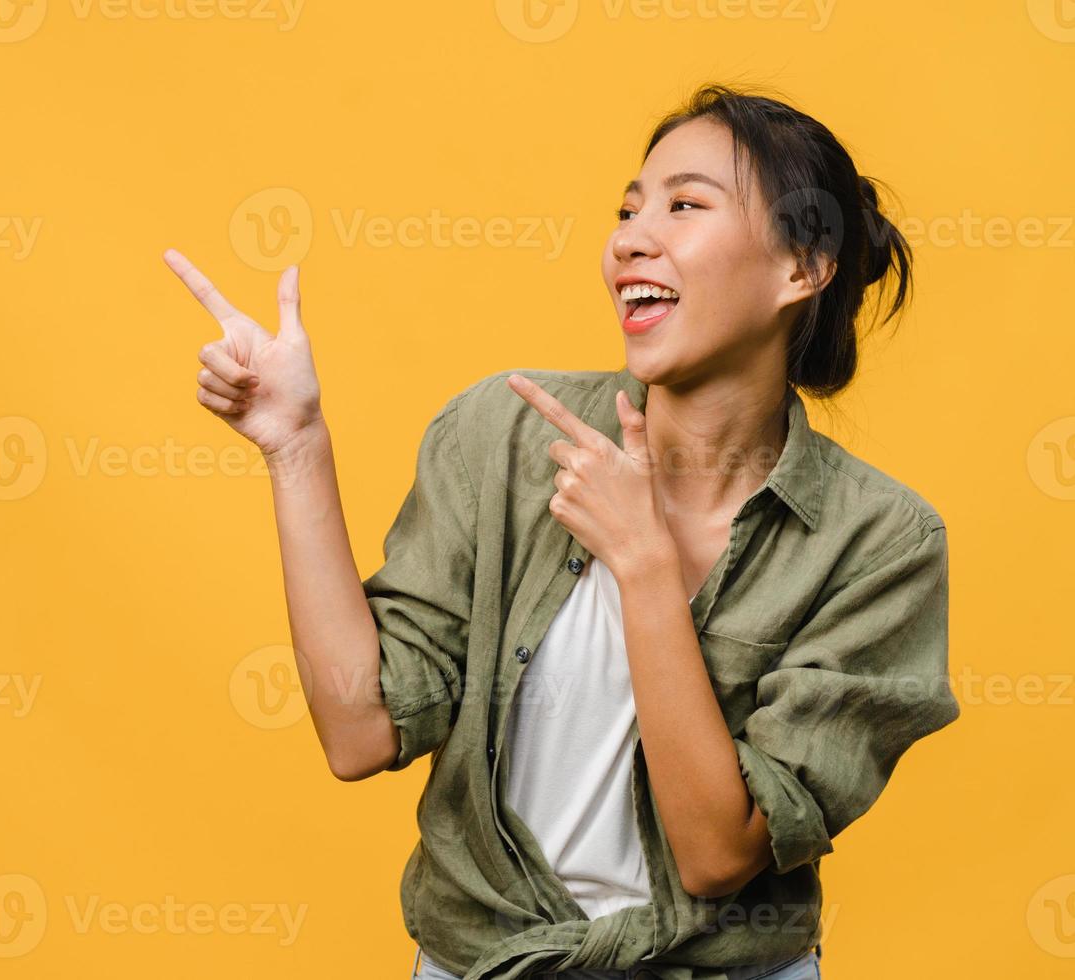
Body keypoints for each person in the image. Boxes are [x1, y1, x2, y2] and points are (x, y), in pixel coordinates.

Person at [163, 82, 961, 980]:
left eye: (684, 205)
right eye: (627, 209)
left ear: (801, 269)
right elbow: (362, 732)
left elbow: (715, 853)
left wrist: (643, 560)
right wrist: (295, 446)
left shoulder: (880, 544)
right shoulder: (503, 436)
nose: (629, 238)